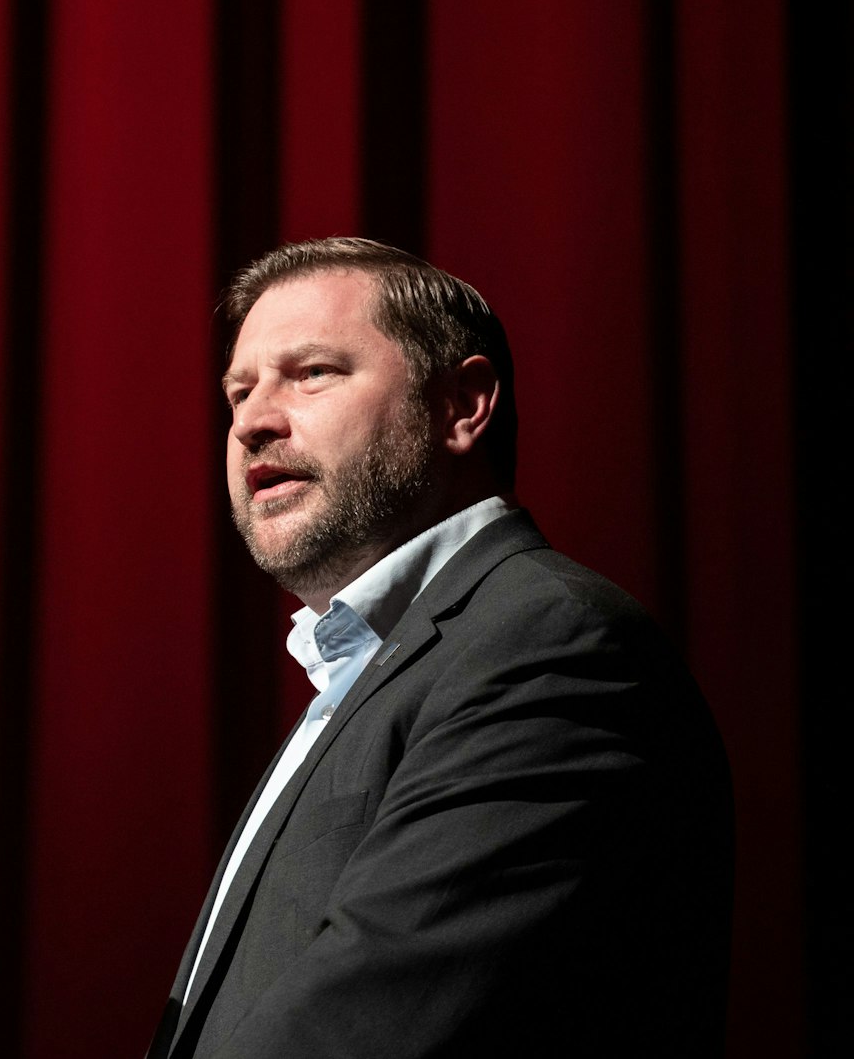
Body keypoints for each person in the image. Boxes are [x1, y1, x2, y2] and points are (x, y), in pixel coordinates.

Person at [148, 238, 733, 1058]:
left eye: (311, 372)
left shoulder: (548, 644)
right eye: (239, 392)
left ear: (463, 404)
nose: (251, 422)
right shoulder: (369, 671)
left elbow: (366, 1026)